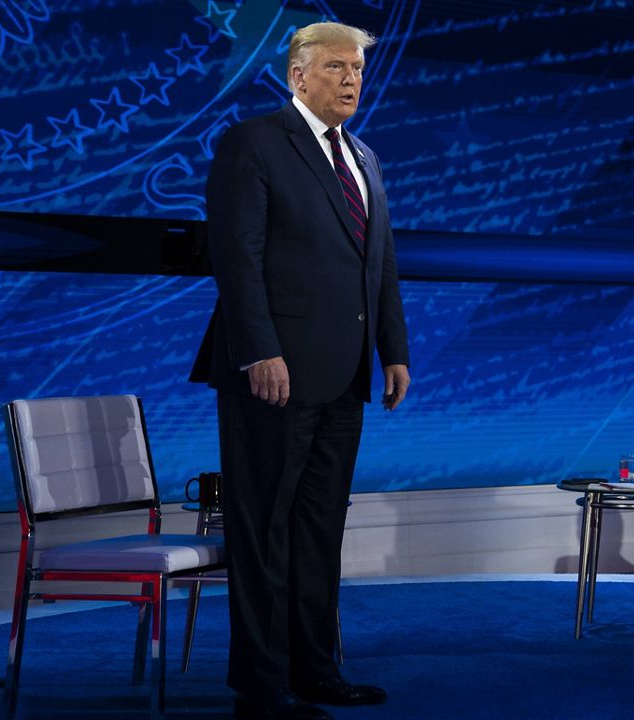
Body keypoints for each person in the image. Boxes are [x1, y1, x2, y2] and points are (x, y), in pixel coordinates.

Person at [190, 21, 409, 720]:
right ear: (298, 76)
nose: (351, 79)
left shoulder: (365, 158)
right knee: (264, 533)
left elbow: (379, 267)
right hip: (271, 375)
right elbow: (237, 257)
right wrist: (260, 350)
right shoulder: (254, 143)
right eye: (337, 67)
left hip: (344, 377)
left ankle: (317, 670)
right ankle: (260, 686)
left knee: (319, 532)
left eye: (358, 70)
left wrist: (394, 351)